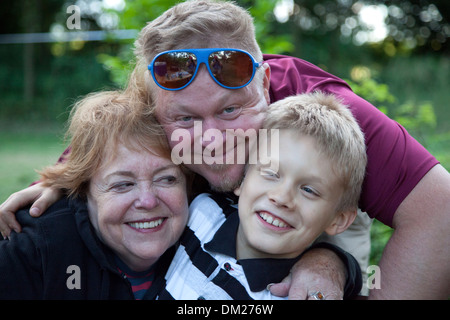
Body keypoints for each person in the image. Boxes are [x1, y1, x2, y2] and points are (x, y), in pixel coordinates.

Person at [1, 0, 449, 299]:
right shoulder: (154, 100)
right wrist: (62, 177)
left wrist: (330, 260)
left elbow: (441, 213)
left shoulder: (327, 113)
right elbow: (110, 129)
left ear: (267, 85)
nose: (212, 139)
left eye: (232, 109)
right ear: (157, 109)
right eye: (184, 119)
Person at [158, 92, 365, 300]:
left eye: (309, 190)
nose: (282, 197)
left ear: (339, 219)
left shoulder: (296, 294)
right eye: (271, 173)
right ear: (241, 177)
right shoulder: (202, 213)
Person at [0, 91, 190, 299]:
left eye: (167, 179)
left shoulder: (210, 235)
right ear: (83, 190)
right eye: (123, 184)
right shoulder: (34, 251)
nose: (148, 200)